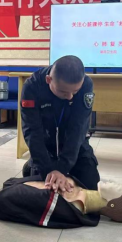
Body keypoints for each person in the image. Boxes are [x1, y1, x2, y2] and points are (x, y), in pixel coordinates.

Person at [21, 55, 100, 192]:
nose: (70, 97)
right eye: (63, 92)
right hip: (45, 145)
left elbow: (78, 128)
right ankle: (31, 165)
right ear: (48, 80)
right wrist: (47, 170)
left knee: (90, 184)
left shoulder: (86, 84)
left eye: (75, 92)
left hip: (74, 145)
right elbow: (32, 131)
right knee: (40, 191)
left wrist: (61, 169)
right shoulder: (32, 86)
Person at [0, 176, 122, 229]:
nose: (114, 183)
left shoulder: (67, 205)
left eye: (118, 188)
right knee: (26, 169)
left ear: (112, 204)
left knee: (5, 194)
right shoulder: (78, 184)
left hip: (6, 198)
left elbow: (1, 200)